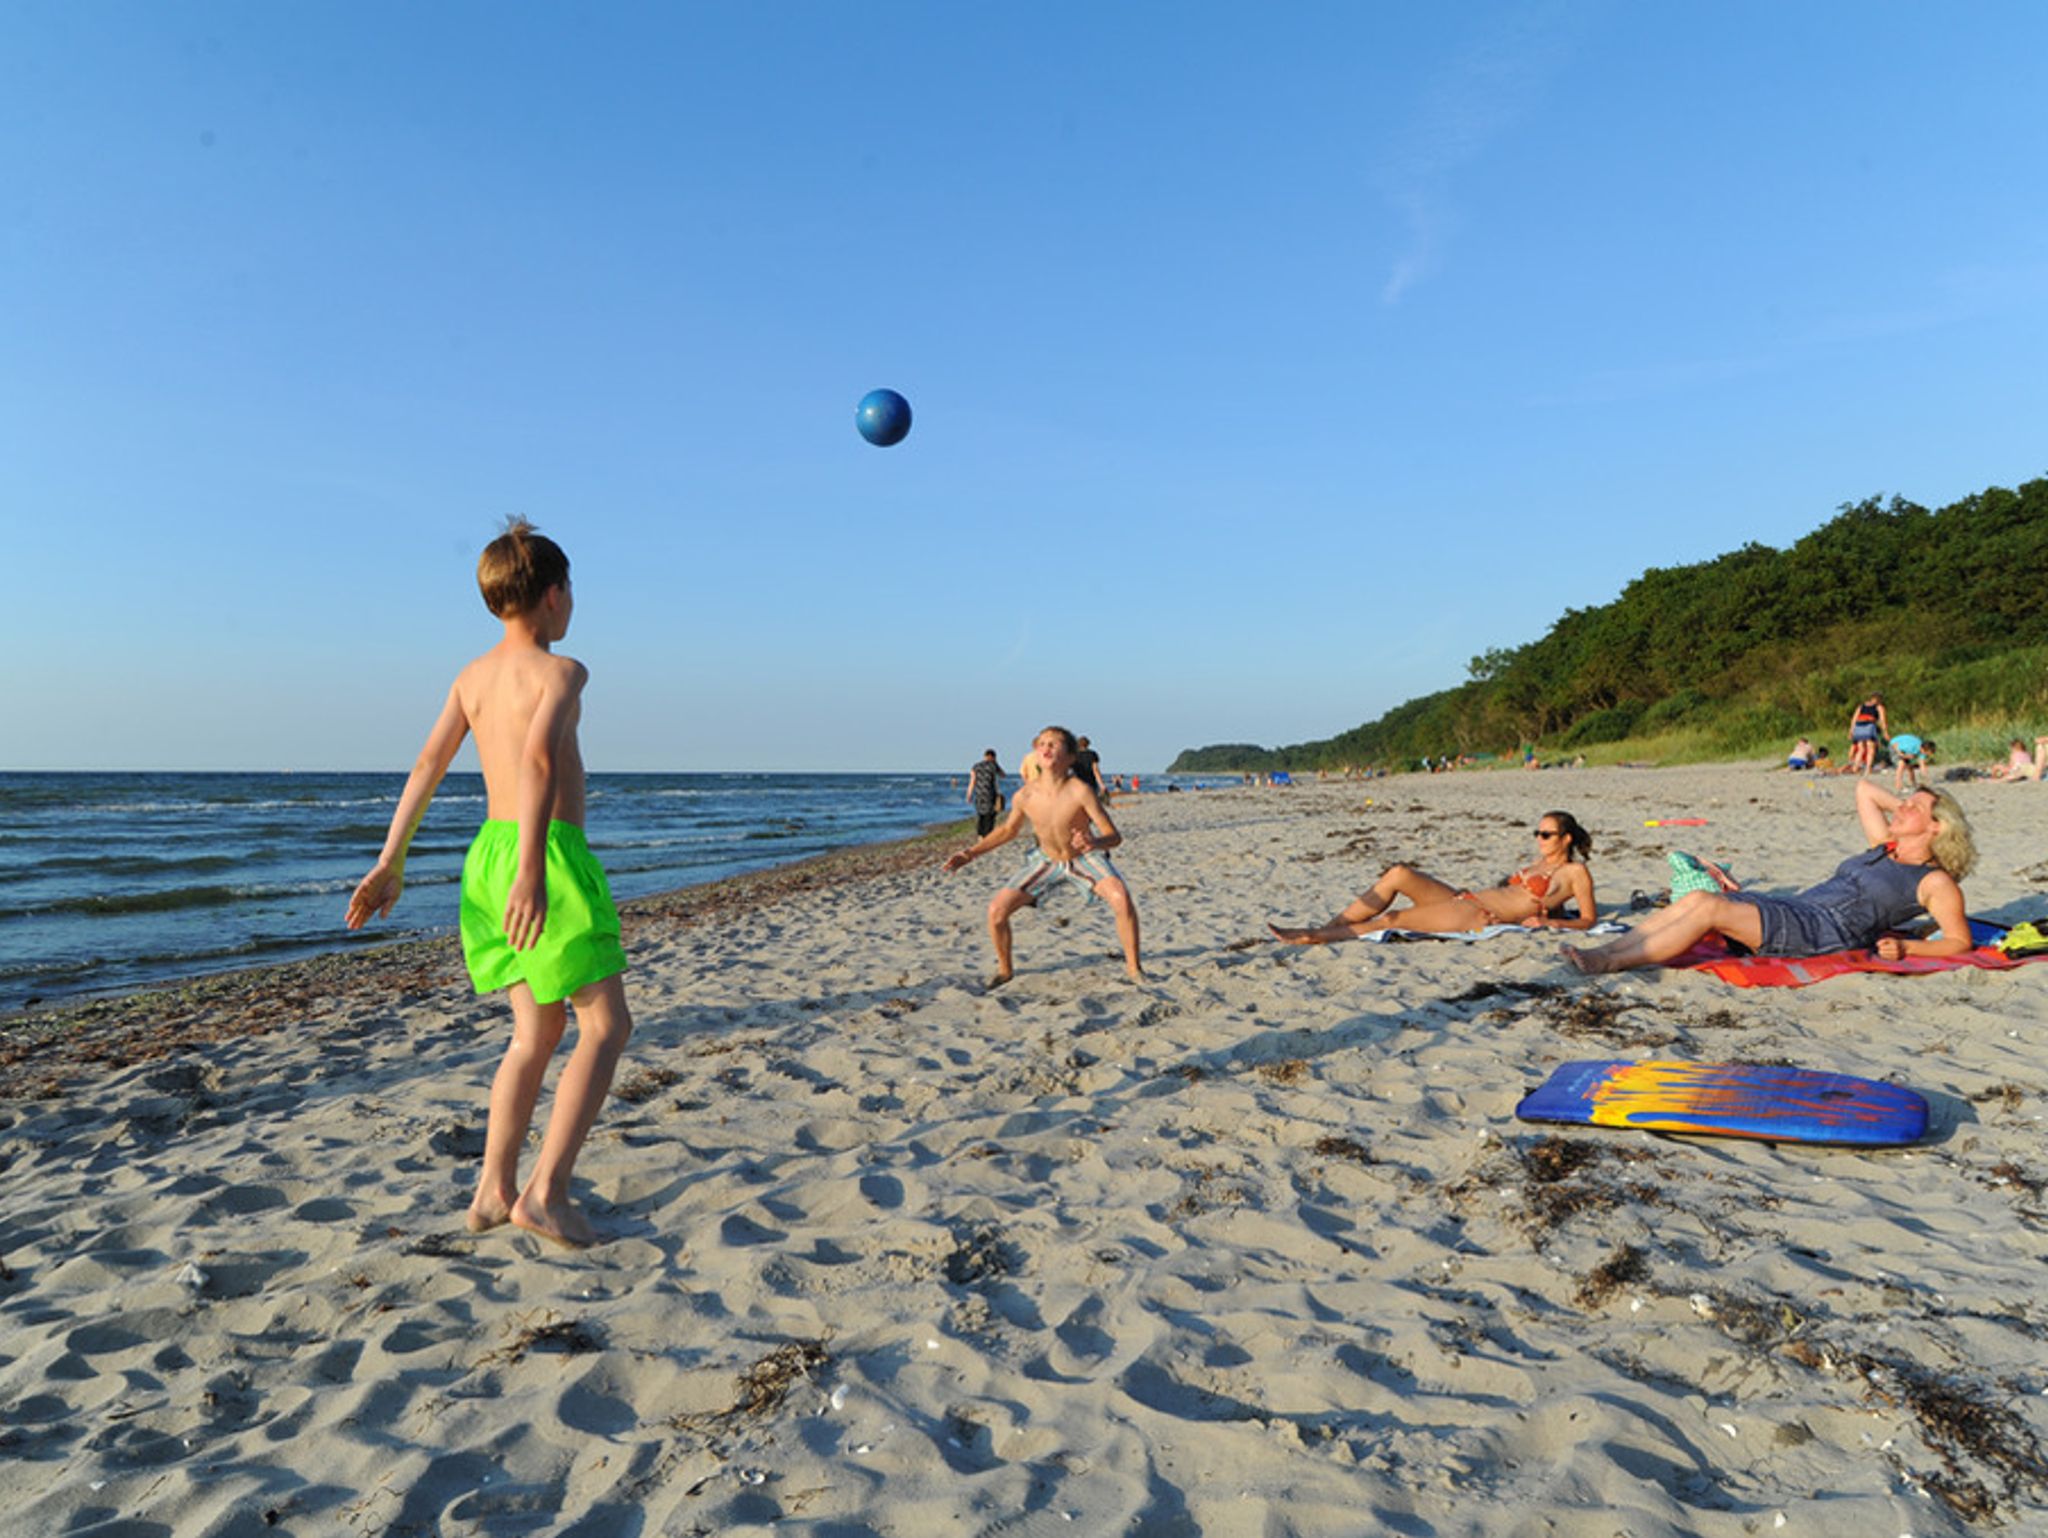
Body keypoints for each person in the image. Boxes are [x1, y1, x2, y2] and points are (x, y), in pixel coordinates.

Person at [346, 519, 633, 1248]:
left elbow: (426, 766)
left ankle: (491, 1190)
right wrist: (537, 871)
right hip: (547, 857)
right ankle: (547, 1193)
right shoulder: (562, 672)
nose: (573, 605)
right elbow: (539, 763)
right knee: (606, 1025)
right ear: (551, 596)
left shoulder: (470, 677)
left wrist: (391, 858)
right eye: (570, 591)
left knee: (533, 1032)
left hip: (486, 859)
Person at [1561, 780, 1973, 974]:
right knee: (1695, 900)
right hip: (1799, 909)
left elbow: (1959, 941)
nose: (1899, 808)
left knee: (1708, 908)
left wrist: (1909, 952)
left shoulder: (1935, 882)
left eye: (1913, 809)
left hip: (1822, 932)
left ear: (1937, 827)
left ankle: (1610, 961)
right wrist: (1913, 804)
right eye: (1903, 803)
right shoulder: (1884, 846)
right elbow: (1864, 789)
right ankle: (1614, 950)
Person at [943, 726, 1143, 985]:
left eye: (1054, 744)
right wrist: (969, 854)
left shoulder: (1080, 791)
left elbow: (1114, 836)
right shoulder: (1025, 795)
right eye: (1042, 744)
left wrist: (1095, 841)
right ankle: (1005, 970)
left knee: (1121, 897)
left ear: (1071, 756)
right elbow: (1006, 831)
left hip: (1084, 858)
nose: (1046, 748)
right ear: (1035, 754)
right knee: (996, 911)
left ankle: (1134, 968)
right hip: (1046, 861)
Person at [1268, 811, 1599, 943]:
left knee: (1393, 919)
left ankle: (1317, 936)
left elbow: (1587, 919)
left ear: (1566, 838)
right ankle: (1330, 926)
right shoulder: (1537, 864)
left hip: (1479, 915)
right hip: (1463, 898)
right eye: (1537, 833)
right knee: (1399, 873)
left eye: (1547, 834)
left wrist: (1553, 924)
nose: (1540, 839)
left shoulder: (1575, 872)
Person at [966, 749, 1006, 836]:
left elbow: (972, 782)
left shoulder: (975, 766)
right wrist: (996, 763)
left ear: (984, 756)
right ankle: (987, 835)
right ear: (994, 757)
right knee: (990, 815)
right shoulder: (993, 765)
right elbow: (1003, 775)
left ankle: (980, 835)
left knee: (981, 815)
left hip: (979, 794)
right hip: (990, 794)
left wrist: (968, 795)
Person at [1847, 693, 1888, 775]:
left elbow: (1854, 719)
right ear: (1879, 700)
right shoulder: (1879, 707)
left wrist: (1851, 731)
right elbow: (1883, 721)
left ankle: (1855, 767)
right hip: (1869, 726)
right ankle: (1868, 768)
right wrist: (1885, 732)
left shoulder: (1861, 706)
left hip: (1858, 727)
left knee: (1860, 749)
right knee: (1870, 748)